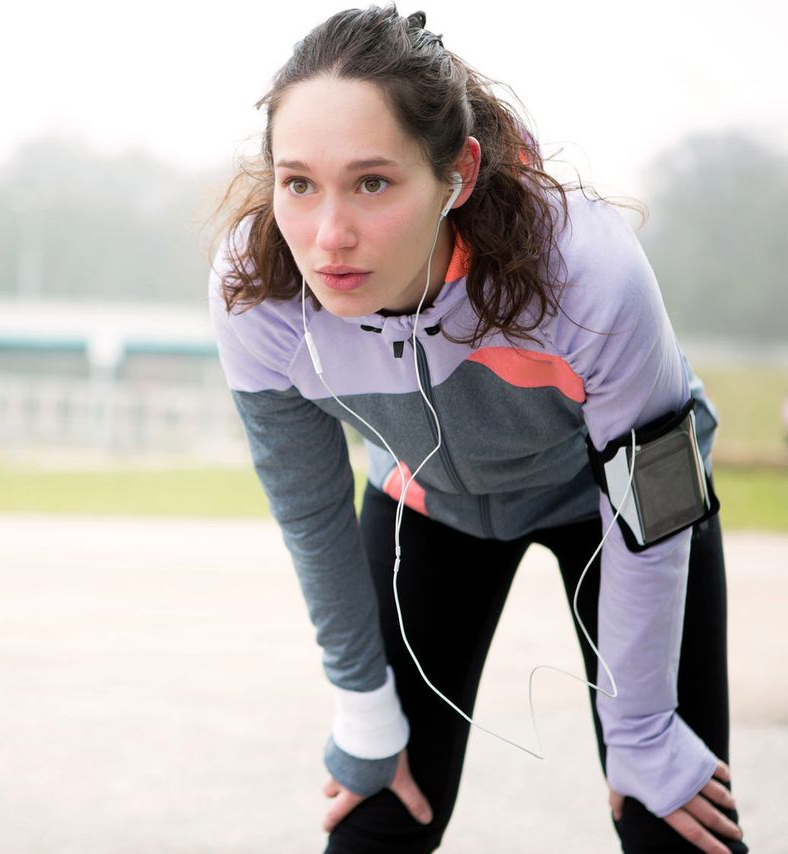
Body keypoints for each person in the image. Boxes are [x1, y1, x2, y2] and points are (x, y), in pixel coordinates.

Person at [208, 8, 745, 853]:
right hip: (428, 506)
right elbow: (311, 514)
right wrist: (362, 706)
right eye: (299, 183)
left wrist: (640, 734)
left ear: (456, 173)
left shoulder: (584, 272)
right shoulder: (259, 287)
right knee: (381, 810)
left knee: (672, 815)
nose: (328, 236)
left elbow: (654, 500)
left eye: (373, 183)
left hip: (612, 509)